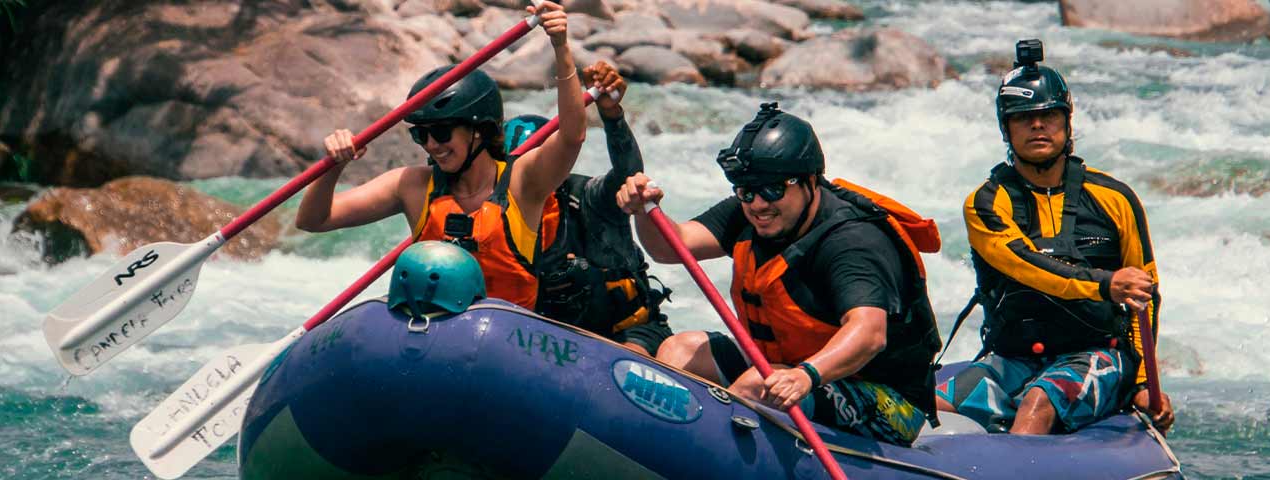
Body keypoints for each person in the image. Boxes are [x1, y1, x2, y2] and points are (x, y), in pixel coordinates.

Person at [614, 103, 943, 446]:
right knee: (679, 350)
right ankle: (656, 446)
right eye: (746, 190)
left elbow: (869, 333)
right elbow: (671, 246)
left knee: (758, 384)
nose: (758, 203)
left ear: (809, 181)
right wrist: (644, 211)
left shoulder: (851, 242)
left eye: (773, 189)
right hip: (784, 366)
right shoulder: (753, 212)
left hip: (885, 398)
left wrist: (806, 375)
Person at [937, 39, 1174, 435]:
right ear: (1006, 128)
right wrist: (1105, 283)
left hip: (1097, 355)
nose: (1037, 125)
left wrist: (1143, 385)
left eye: (1049, 115)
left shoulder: (1115, 198)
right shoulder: (986, 203)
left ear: (1067, 123)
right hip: (1013, 359)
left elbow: (1144, 297)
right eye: (1023, 117)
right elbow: (1029, 266)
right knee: (922, 404)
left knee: (1038, 403)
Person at [295, 1, 582, 311]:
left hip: (503, 341)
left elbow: (571, 136)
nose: (431, 145)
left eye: (442, 133)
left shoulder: (522, 183)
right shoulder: (412, 186)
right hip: (429, 336)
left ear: (479, 131)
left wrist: (561, 48)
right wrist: (333, 167)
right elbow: (314, 220)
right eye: (421, 134)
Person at [504, 61, 673, 356]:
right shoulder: (492, 214)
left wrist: (611, 114)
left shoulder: (588, 199)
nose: (528, 180)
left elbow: (627, 175)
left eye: (537, 166)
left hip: (627, 335)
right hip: (550, 344)